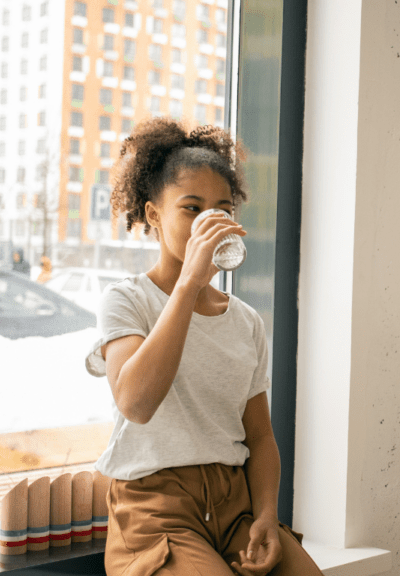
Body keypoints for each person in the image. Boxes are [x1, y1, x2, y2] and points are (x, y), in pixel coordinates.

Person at [85, 119, 324, 576]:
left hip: (236, 505)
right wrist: (190, 283)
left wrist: (267, 517)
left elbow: (259, 438)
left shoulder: (245, 321)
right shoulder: (127, 300)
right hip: (157, 510)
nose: (209, 223)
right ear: (154, 215)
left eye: (222, 209)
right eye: (191, 209)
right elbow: (135, 402)